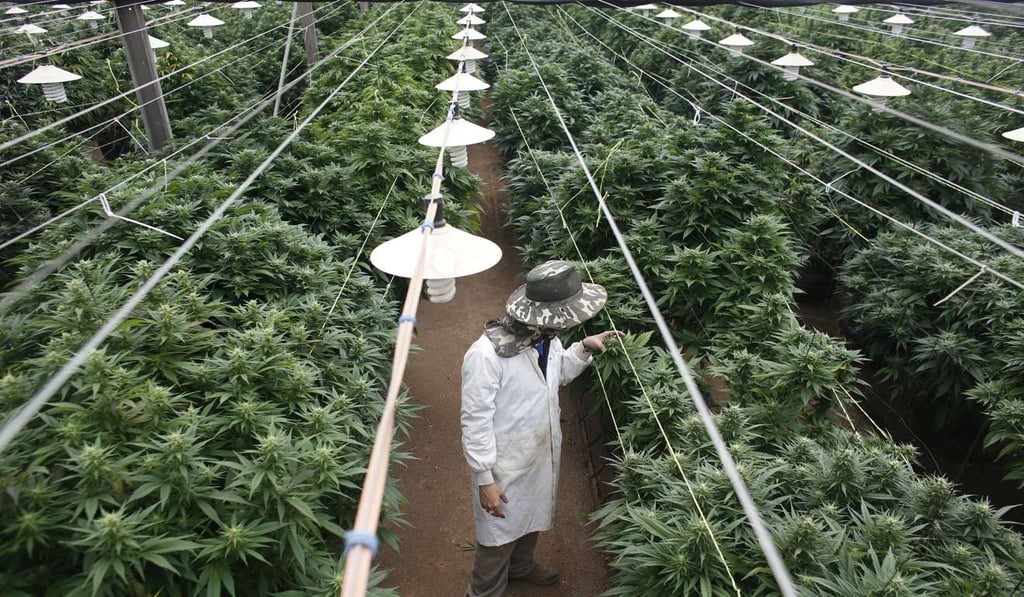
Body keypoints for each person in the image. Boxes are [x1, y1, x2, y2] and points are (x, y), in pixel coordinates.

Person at [461, 260, 622, 597]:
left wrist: (583, 347)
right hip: (504, 466)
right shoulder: (485, 356)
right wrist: (485, 480)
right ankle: (484, 591)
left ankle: (520, 567)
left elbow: (555, 376)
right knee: (497, 540)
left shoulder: (545, 337)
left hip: (537, 454)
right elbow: (475, 422)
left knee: (531, 516)